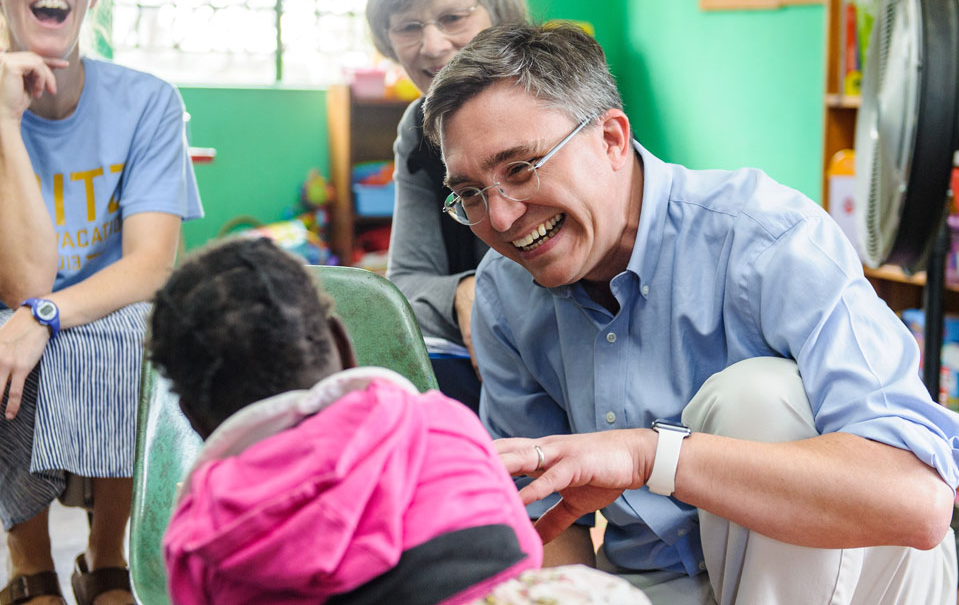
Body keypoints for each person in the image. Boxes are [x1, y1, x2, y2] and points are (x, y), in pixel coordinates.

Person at [421, 22, 959, 604]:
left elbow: (915, 500)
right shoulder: (502, 291)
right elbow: (546, 520)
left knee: (756, 396)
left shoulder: (768, 240)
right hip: (659, 585)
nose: (503, 217)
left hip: (853, 574)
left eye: (520, 169)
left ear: (612, 140)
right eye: (470, 193)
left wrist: (650, 455)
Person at [149, 237, 650, 605]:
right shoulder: (441, 423)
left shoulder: (199, 525)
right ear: (344, 346)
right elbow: (516, 549)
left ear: (191, 417)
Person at [0, 0, 203, 602]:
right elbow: (22, 283)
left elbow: (150, 264)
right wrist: (6, 119)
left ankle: (107, 558)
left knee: (138, 330)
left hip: (103, 309)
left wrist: (47, 314)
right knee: (5, 339)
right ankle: (32, 569)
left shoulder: (147, 102)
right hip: (9, 306)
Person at [365, 0, 526, 411]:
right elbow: (403, 287)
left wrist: (490, 292)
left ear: (496, 10)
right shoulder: (417, 128)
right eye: (409, 26)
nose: (433, 45)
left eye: (454, 18)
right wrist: (460, 290)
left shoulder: (546, 103)